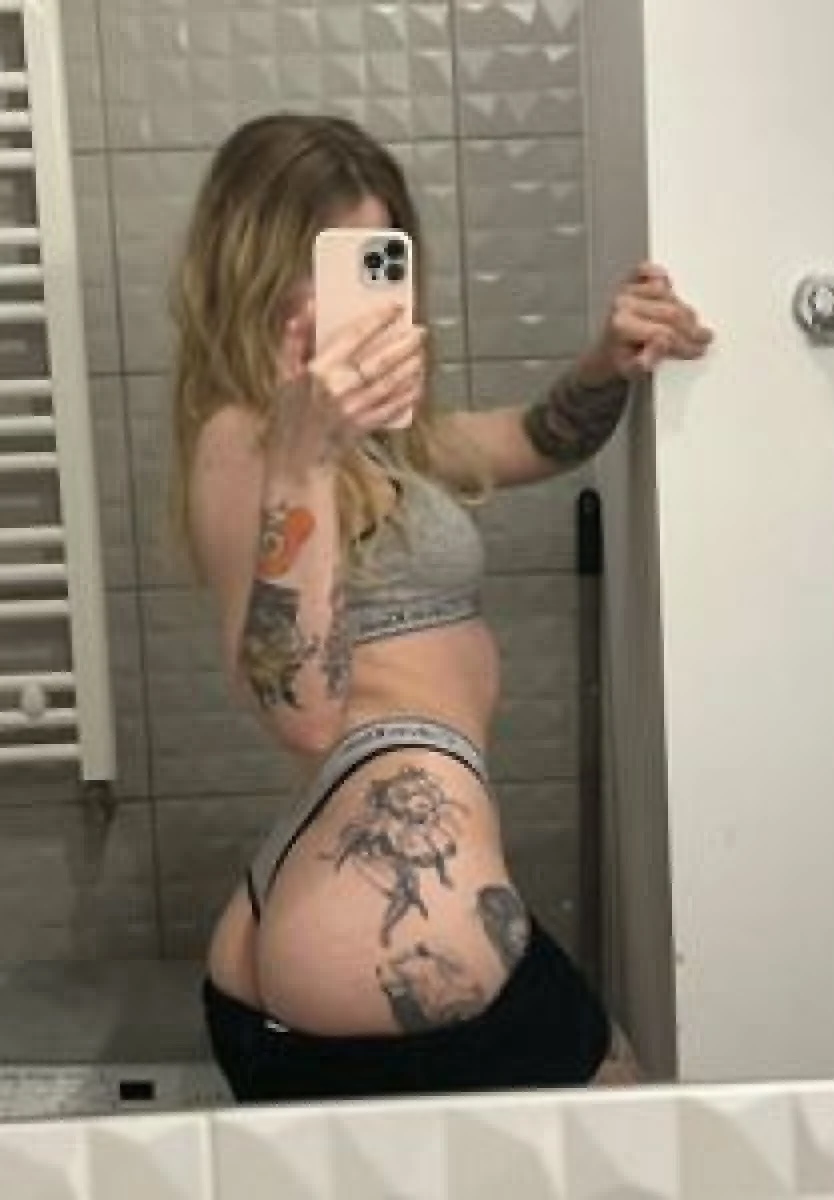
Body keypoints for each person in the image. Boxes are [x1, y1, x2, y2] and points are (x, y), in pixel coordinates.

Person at [170, 112, 713, 1103]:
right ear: (257, 273)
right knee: (626, 1131)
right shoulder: (246, 441)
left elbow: (540, 438)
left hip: (359, 892)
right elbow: (301, 712)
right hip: (375, 922)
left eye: (383, 259)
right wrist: (302, 456)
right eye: (331, 265)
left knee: (617, 1113)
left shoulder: (389, 443)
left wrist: (608, 359)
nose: (368, 300)